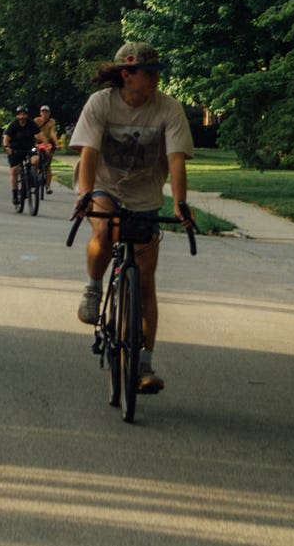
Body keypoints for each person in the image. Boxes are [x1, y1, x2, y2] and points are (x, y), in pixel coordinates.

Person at [74, 41, 191, 395]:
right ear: (127, 73)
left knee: (144, 282)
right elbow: (90, 153)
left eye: (157, 73)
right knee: (106, 227)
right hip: (105, 186)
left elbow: (176, 160)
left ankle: (144, 364)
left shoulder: (168, 109)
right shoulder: (101, 104)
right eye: (148, 73)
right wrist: (85, 195)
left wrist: (180, 203)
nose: (155, 80)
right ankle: (94, 287)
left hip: (145, 194)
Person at [3, 104, 44, 200]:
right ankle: (15, 194)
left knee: (36, 160)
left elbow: (40, 135)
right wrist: (6, 147)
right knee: (14, 170)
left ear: (27, 115)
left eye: (24, 114)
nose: (22, 117)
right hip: (15, 150)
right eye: (20, 114)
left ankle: (33, 177)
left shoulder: (31, 124)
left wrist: (45, 145)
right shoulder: (13, 125)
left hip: (29, 148)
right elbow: (6, 138)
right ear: (17, 115)